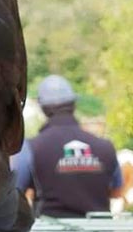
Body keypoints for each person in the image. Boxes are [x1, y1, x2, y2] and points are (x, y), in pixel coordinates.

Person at [13, 75, 123, 217]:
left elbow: (14, 193)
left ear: (43, 108)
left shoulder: (31, 148)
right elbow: (116, 192)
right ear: (74, 104)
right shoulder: (106, 147)